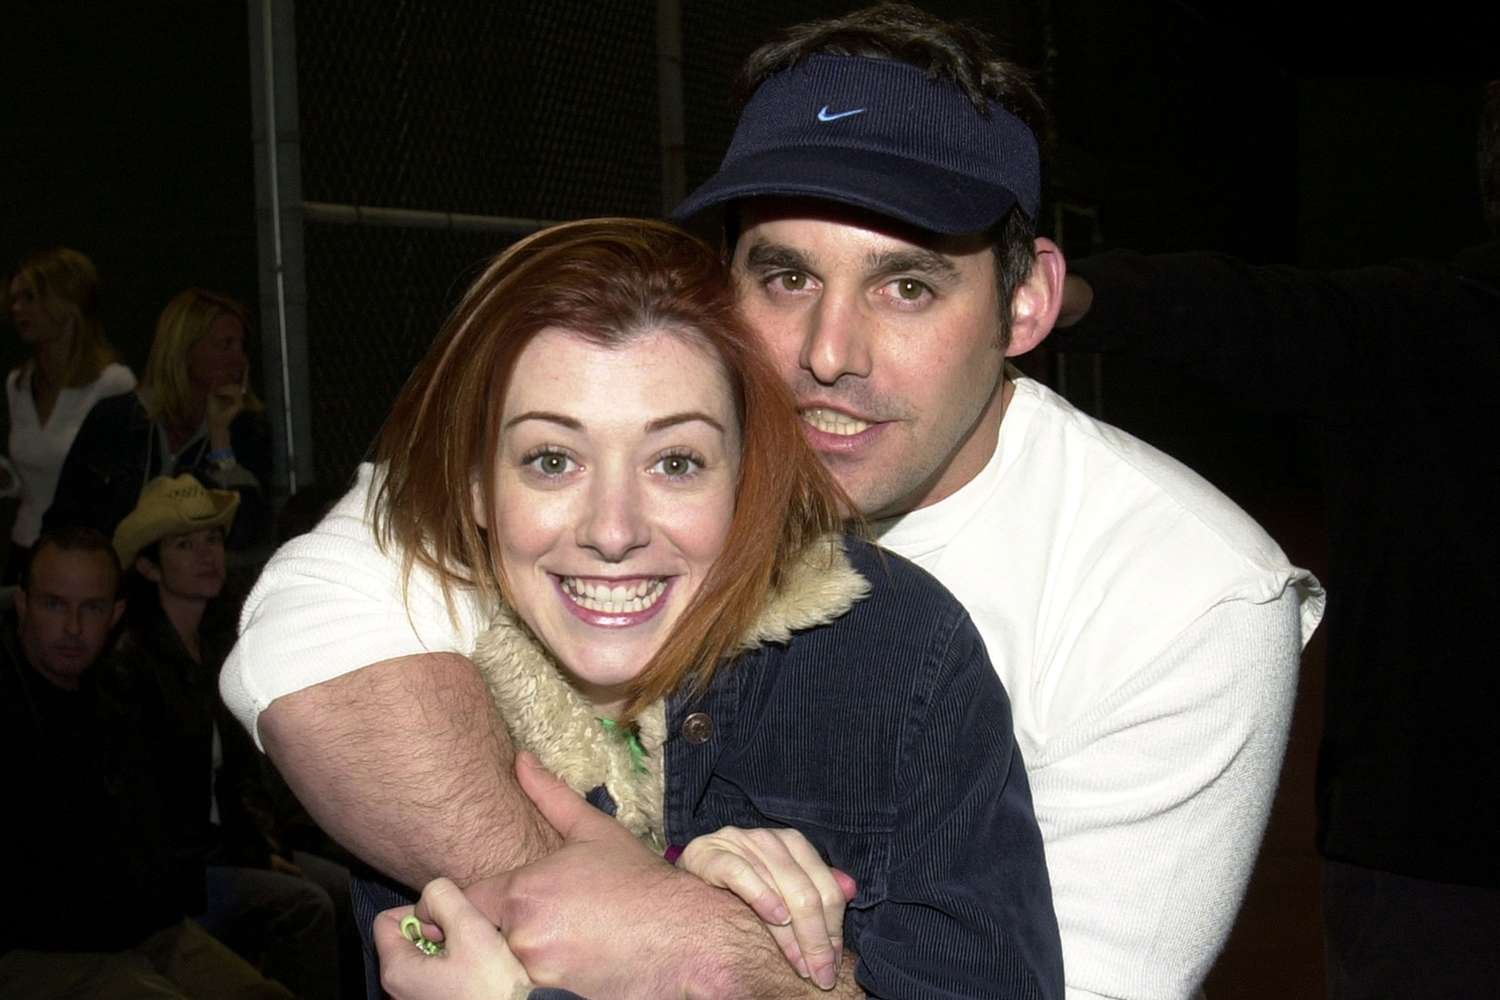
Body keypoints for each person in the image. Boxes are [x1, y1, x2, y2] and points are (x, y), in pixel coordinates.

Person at [223, 5, 1324, 997]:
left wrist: (698, 953)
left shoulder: (1188, 592)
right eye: (787, 277)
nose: (828, 353)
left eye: (907, 285)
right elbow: (309, 638)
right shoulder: (623, 451)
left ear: (1028, 298)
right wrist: (575, 893)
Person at [369, 217, 1060, 997]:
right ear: (476, 488)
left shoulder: (898, 653)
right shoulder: (418, 695)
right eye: (552, 460)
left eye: (676, 463)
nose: (613, 531)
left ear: (744, 477)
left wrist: (713, 940)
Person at [1050, 81, 1500, 1000]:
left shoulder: (1417, 321)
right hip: (1425, 850)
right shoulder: (1427, 321)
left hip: (1416, 842)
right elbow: (1243, 310)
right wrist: (1066, 293)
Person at [0, 526, 290, 999]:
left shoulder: (115, 696)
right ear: (22, 604)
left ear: (115, 614)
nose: (72, 627)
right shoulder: (15, 700)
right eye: (54, 605)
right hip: (37, 948)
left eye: (92, 608)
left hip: (144, 928)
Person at [111, 475, 346, 1000]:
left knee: (342, 886)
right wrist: (253, 856)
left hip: (232, 848)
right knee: (309, 905)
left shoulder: (216, 646)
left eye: (213, 540)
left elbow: (242, 779)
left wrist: (265, 848)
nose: (206, 555)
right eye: (184, 545)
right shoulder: (135, 663)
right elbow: (156, 803)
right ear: (148, 567)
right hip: (182, 872)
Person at [46, 287, 271, 551]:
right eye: (225, 345)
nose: (239, 359)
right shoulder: (116, 419)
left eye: (242, 347)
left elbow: (246, 532)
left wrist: (221, 440)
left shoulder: (245, 428)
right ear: (184, 349)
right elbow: (65, 519)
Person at [2, 247, 135, 575]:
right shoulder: (18, 383)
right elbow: (35, 476)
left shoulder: (112, 384)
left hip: (82, 558)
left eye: (30, 297)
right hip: (24, 550)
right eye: (14, 299)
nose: (17, 308)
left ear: (68, 301)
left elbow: (119, 489)